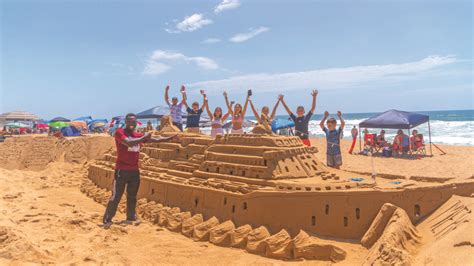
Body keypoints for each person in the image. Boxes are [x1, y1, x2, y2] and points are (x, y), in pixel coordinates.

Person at [102, 113, 178, 228]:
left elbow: (155, 139)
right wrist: (144, 137)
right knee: (116, 196)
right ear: (126, 122)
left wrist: (171, 138)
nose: (131, 124)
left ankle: (131, 216)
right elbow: (129, 142)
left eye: (133, 122)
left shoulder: (137, 134)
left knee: (132, 195)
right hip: (121, 171)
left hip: (134, 171)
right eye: (129, 121)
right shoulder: (120, 133)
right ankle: (107, 218)